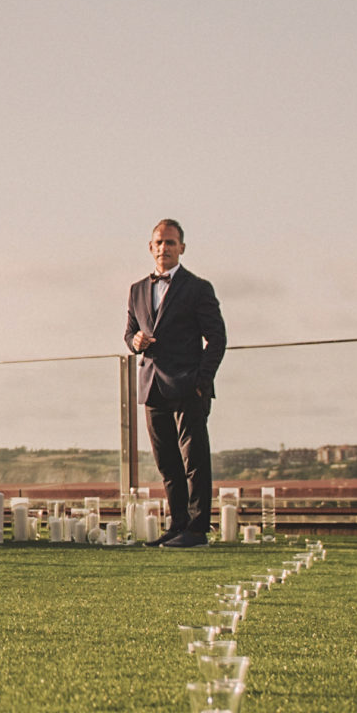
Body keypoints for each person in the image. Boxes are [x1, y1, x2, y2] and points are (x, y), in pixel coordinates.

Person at [125, 219, 226, 548]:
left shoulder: (198, 288)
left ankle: (197, 530)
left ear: (182, 247)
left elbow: (218, 338)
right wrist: (134, 341)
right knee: (167, 463)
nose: (164, 248)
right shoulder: (137, 289)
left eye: (171, 242)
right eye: (159, 242)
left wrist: (201, 381)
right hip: (152, 385)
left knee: (194, 462)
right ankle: (178, 524)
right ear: (150, 248)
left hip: (188, 388)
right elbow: (129, 333)